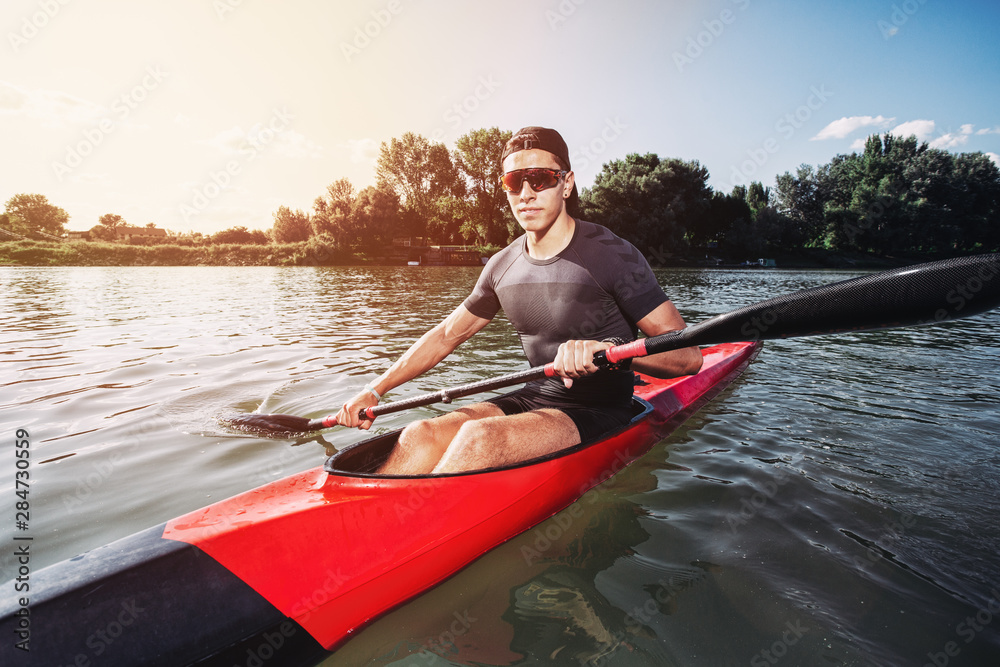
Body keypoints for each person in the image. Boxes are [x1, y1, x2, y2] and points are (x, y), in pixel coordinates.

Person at [335, 127, 702, 474]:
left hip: (600, 408)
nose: (526, 192)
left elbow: (689, 357)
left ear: (567, 183)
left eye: (540, 178)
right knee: (420, 433)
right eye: (514, 181)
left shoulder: (612, 256)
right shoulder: (501, 266)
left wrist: (610, 350)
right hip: (534, 396)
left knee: (479, 438)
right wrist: (374, 390)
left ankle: (417, 530)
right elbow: (447, 335)